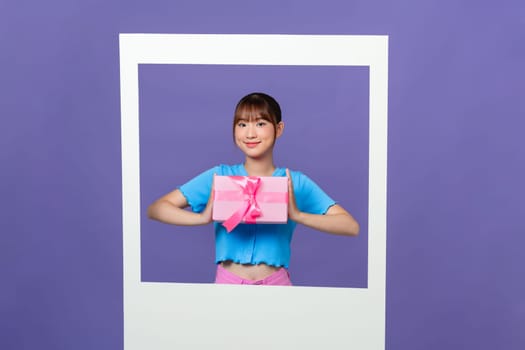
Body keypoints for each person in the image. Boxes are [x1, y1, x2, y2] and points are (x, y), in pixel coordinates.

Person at [147, 92, 359, 286]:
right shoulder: (219, 176)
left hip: (276, 284)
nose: (250, 133)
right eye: (241, 124)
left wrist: (298, 215)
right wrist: (202, 218)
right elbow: (157, 208)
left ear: (279, 129)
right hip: (227, 283)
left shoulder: (293, 182)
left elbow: (350, 226)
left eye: (260, 123)